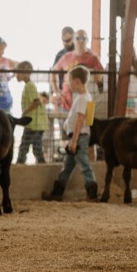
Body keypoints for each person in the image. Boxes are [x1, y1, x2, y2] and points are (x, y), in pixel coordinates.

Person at [42, 65, 99, 202]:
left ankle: (92, 194)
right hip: (77, 137)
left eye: (70, 81)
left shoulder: (83, 99)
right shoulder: (83, 97)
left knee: (84, 165)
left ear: (77, 81)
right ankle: (57, 193)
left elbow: (80, 121)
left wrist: (74, 141)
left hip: (78, 137)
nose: (68, 84)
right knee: (67, 165)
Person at [52, 29, 104, 110]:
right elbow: (53, 72)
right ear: (74, 40)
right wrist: (56, 91)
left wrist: (98, 78)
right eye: (78, 38)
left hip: (85, 102)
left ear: (87, 40)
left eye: (83, 38)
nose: (81, 41)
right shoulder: (66, 57)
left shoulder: (93, 58)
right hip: (67, 103)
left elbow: (101, 74)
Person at [15, 60, 48, 164]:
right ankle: (41, 164)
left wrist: (25, 111)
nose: (16, 75)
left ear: (26, 73)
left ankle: (19, 165)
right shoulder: (29, 85)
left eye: (18, 73)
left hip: (33, 124)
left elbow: (36, 101)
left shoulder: (29, 85)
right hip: (34, 124)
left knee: (24, 147)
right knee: (37, 149)